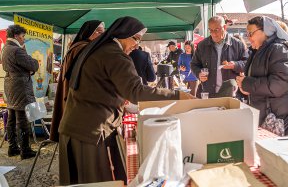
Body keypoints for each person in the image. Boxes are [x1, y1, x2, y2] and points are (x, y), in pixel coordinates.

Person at [58, 16, 193, 185]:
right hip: (92, 133)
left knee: (78, 182)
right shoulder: (115, 55)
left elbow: (99, 86)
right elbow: (135, 91)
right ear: (123, 34)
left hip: (74, 128)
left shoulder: (98, 49)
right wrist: (176, 95)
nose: (137, 45)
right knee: (100, 182)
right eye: (135, 38)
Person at [235, 17, 288, 135]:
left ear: (265, 31)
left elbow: (279, 84)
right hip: (268, 116)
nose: (249, 37)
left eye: (251, 33)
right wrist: (244, 89)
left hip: (282, 118)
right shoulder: (257, 51)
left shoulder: (278, 49)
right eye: (247, 34)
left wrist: (246, 83)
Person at [50, 20, 105, 142]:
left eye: (104, 32)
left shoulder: (80, 47)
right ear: (89, 33)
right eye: (100, 32)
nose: (103, 35)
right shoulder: (83, 48)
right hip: (77, 100)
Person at [2, 25, 39, 159]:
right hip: (20, 86)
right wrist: (32, 64)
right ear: (17, 36)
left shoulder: (5, 48)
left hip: (11, 85)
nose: (24, 39)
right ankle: (25, 150)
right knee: (22, 119)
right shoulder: (17, 50)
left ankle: (13, 148)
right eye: (23, 36)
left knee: (11, 118)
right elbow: (34, 65)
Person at [191, 16, 248, 98]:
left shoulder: (238, 44)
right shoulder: (202, 45)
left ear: (224, 27)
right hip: (208, 93)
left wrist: (235, 65)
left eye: (216, 30)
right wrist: (199, 73)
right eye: (210, 30)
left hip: (231, 93)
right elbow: (194, 64)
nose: (213, 34)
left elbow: (246, 64)